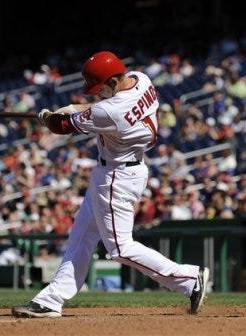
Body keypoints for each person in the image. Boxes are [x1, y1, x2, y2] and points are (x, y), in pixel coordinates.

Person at [12, 51, 210, 318]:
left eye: (100, 87)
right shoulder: (141, 79)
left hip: (117, 176)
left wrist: (48, 118)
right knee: (80, 238)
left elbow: (62, 126)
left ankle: (189, 277)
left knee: (120, 248)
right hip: (121, 170)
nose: (96, 93)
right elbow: (95, 109)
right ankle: (51, 299)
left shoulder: (111, 110)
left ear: (114, 82)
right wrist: (70, 110)